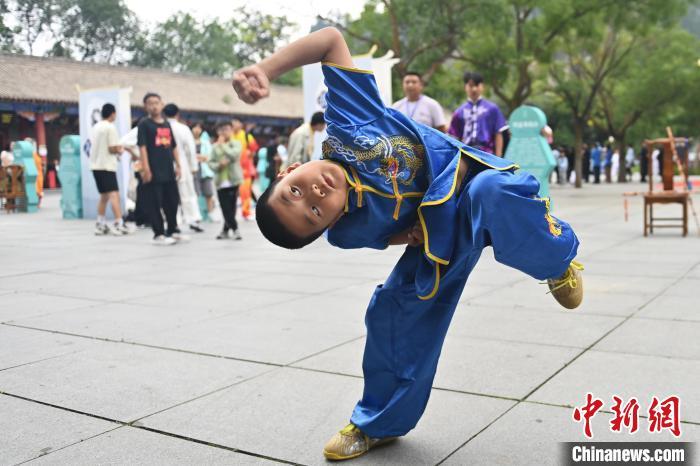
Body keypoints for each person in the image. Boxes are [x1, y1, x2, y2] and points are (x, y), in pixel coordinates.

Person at [232, 27, 583, 461]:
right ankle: (379, 423)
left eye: (296, 192)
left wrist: (264, 69)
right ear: (328, 227)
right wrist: (407, 235)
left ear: (290, 170)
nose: (314, 198)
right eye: (313, 216)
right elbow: (384, 236)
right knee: (390, 312)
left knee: (492, 194)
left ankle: (556, 260)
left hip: (472, 181)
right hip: (439, 237)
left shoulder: (347, 119)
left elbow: (328, 40)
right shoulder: (348, 232)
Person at [137, 92, 185, 246]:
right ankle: (158, 234)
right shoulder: (144, 124)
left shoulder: (166, 124)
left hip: (168, 170)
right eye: (150, 103)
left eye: (156, 102)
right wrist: (146, 169)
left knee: (172, 201)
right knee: (154, 202)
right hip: (153, 170)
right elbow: (142, 147)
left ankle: (172, 230)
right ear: (145, 106)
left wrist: (178, 165)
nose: (154, 106)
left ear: (162, 104)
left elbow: (174, 147)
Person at [89, 103, 129, 235]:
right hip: (107, 166)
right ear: (112, 113)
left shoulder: (95, 127)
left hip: (96, 166)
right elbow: (112, 147)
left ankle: (100, 223)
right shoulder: (110, 127)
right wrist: (120, 149)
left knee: (104, 196)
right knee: (114, 195)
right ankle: (119, 223)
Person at [164, 103, 204, 233]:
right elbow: (190, 149)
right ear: (177, 114)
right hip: (183, 164)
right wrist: (193, 167)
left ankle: (173, 221)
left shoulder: (162, 127)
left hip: (166, 165)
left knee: (169, 195)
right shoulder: (183, 128)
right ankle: (193, 220)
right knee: (188, 193)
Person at [448, 71, 507, 156]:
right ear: (465, 87)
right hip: (465, 153)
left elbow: (498, 133)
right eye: (471, 85)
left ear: (482, 86)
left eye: (477, 85)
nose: (474, 89)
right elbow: (453, 136)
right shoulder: (459, 111)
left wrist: (498, 158)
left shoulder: (492, 109)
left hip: (487, 154)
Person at [211, 121, 243, 240]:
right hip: (220, 181)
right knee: (225, 207)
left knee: (231, 207)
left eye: (227, 129)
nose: (224, 132)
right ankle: (231, 229)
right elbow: (210, 162)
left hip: (233, 180)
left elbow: (234, 155)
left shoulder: (236, 144)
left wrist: (222, 145)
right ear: (218, 132)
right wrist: (218, 165)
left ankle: (229, 230)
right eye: (221, 130)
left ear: (231, 130)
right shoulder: (214, 146)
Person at [231, 119, 258, 220]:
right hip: (232, 170)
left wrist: (248, 157)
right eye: (232, 124)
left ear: (240, 124)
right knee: (232, 193)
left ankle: (245, 212)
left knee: (245, 192)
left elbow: (254, 149)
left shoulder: (247, 136)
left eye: (236, 123)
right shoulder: (229, 137)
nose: (234, 125)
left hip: (246, 170)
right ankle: (232, 214)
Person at [192, 122, 216, 218]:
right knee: (195, 194)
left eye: (199, 128)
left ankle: (210, 213)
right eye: (195, 127)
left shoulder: (205, 142)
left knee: (208, 193)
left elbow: (209, 156)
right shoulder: (189, 141)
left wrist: (199, 157)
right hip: (193, 170)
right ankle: (197, 214)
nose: (197, 130)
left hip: (205, 170)